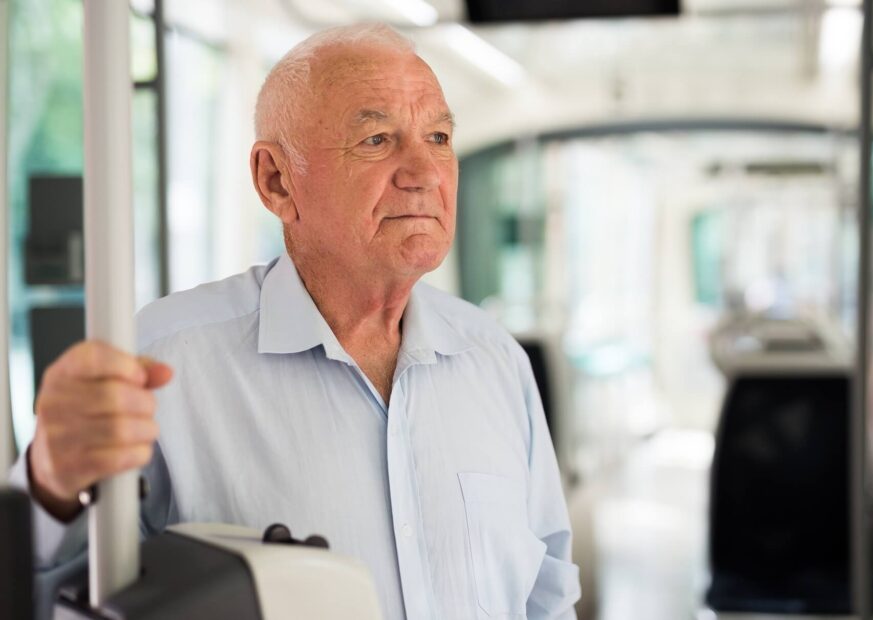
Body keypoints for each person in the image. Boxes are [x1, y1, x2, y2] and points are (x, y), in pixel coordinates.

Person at [8, 23, 581, 619]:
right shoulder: (162, 361)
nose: (425, 171)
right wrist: (48, 483)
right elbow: (38, 590)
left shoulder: (496, 361)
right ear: (276, 181)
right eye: (378, 139)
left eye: (438, 136)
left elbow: (547, 590)